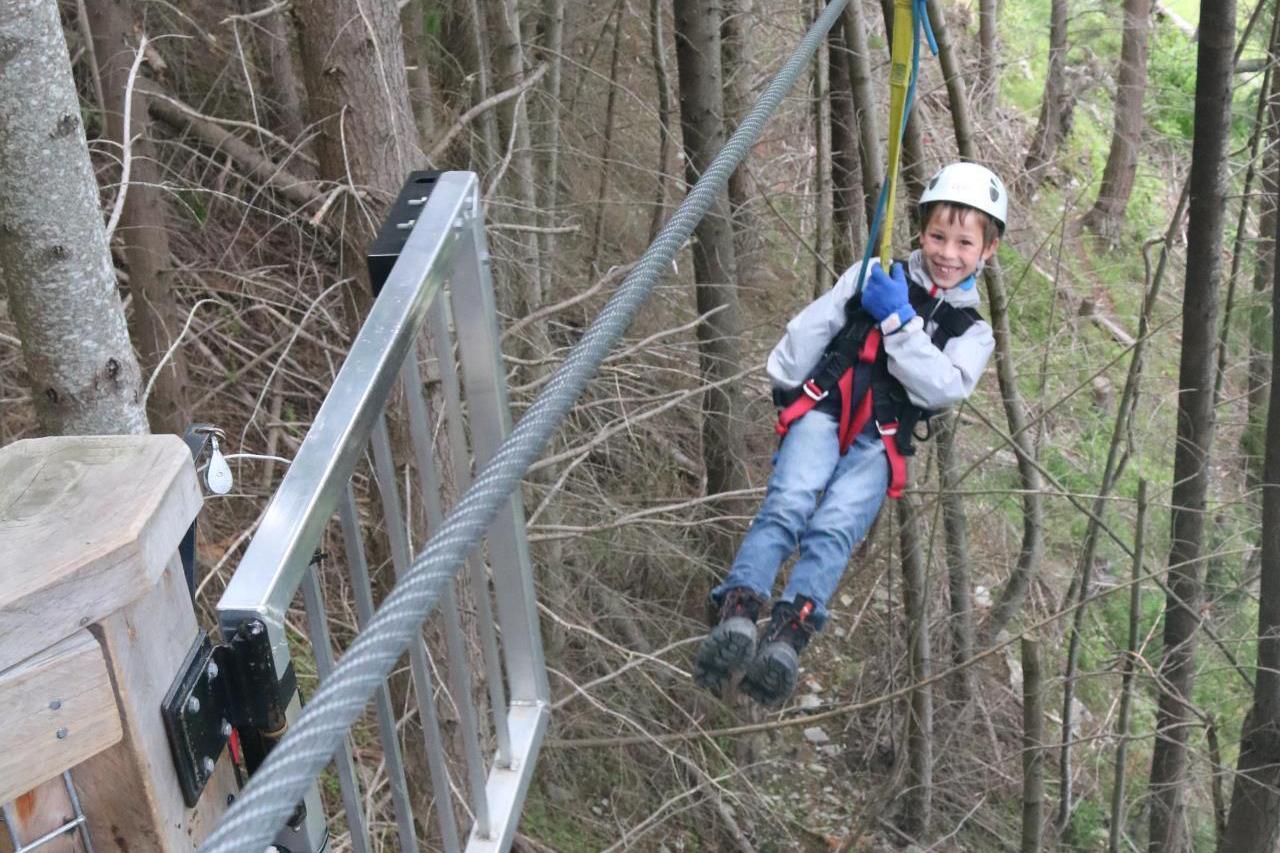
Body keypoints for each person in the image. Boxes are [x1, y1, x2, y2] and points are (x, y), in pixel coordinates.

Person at [693, 162, 1005, 707]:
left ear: (987, 252)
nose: (947, 253)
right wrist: (787, 383)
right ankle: (739, 609)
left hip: (880, 437)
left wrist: (897, 322)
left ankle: (789, 634)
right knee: (788, 502)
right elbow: (814, 323)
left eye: (963, 243)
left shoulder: (972, 332)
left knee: (834, 527)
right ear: (920, 232)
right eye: (937, 236)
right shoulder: (875, 276)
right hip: (827, 407)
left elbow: (940, 387)